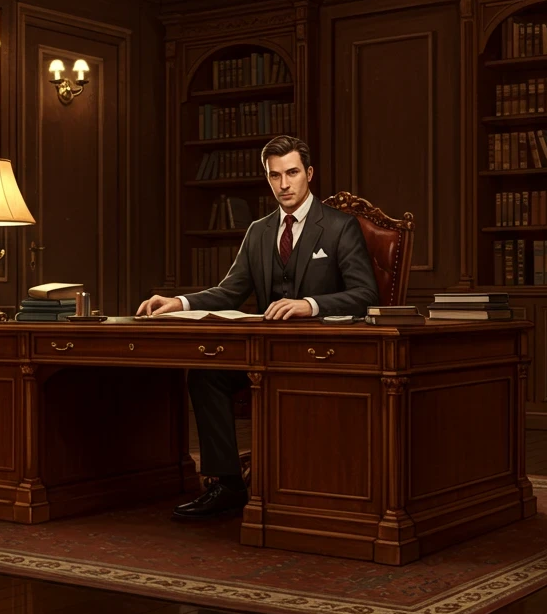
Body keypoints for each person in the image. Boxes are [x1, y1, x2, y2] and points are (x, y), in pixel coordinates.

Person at [137, 135, 379, 520]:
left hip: (322, 352)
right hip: (265, 353)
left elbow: (366, 293)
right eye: (275, 175)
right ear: (267, 178)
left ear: (309, 174)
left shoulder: (339, 227)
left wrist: (308, 305)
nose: (284, 184)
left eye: (292, 173)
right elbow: (229, 292)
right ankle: (229, 485)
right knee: (205, 375)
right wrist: (178, 303)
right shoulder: (259, 231)